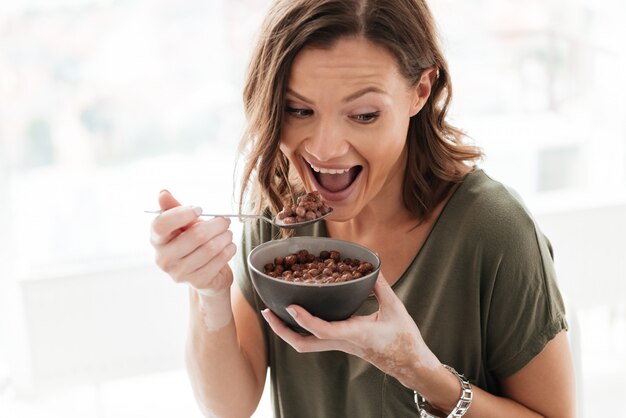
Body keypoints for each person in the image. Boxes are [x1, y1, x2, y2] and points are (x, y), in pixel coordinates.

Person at [149, 0, 576, 417]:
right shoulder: (278, 213)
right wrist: (208, 289)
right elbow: (227, 407)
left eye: (364, 114)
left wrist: (421, 373)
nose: (325, 148)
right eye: (299, 110)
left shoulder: (493, 229)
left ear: (420, 92)